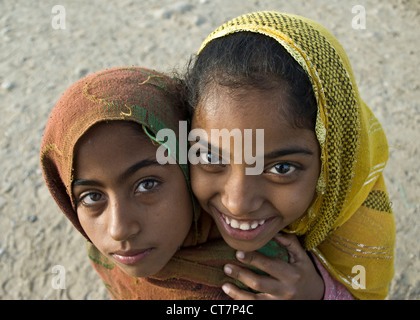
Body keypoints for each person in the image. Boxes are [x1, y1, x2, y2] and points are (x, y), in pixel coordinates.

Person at [186, 11, 395, 300]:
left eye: (282, 168)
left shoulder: (361, 232)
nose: (238, 203)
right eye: (210, 158)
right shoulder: (166, 195)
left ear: (331, 165)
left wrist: (319, 293)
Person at [40, 66, 289, 299]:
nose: (119, 229)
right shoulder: (104, 256)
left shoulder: (278, 273)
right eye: (92, 197)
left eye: (147, 185)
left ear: (191, 170)